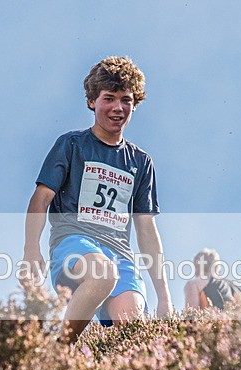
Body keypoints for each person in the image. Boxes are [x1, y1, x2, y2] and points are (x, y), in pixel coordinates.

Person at [22, 56, 172, 343]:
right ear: (92, 101)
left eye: (126, 100)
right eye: (109, 98)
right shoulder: (72, 145)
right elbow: (40, 199)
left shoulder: (141, 162)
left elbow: (146, 230)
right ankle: (60, 350)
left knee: (132, 331)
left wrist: (163, 297)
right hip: (74, 244)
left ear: (134, 104)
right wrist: (31, 250)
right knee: (103, 272)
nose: (118, 107)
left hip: (120, 255)